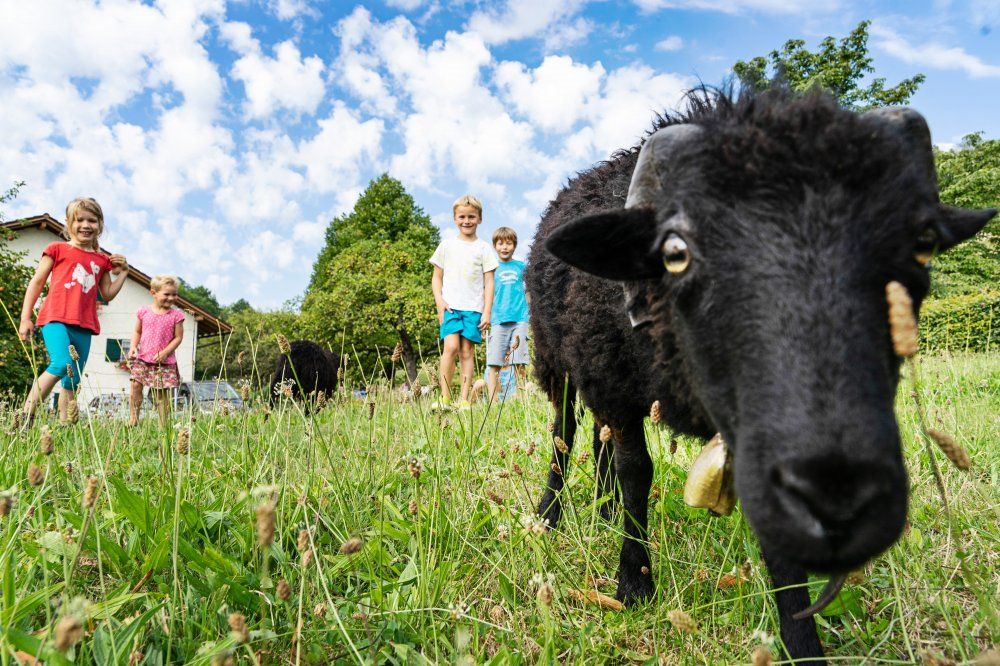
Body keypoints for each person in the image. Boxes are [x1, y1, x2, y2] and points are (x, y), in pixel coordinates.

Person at [18, 197, 129, 426]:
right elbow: (37, 282)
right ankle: (25, 417)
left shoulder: (101, 260)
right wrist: (25, 317)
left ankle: (66, 426)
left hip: (84, 326)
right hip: (55, 318)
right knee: (61, 364)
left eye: (92, 220)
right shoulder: (57, 249)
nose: (85, 225)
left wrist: (124, 273)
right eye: (79, 220)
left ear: (100, 224)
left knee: (73, 380)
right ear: (69, 223)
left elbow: (106, 293)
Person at [430, 195, 498, 408]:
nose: (466, 221)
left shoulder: (484, 248)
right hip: (450, 306)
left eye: (471, 217)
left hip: (473, 308)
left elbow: (489, 283)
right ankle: (445, 397)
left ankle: (464, 400)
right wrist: (439, 301)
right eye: (462, 217)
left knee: (467, 351)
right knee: (450, 347)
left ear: (479, 219)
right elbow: (436, 277)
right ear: (454, 218)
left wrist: (487, 312)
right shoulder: (446, 245)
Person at [127, 275, 185, 426]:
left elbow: (178, 338)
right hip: (143, 357)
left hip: (164, 362)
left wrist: (165, 352)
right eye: (167, 294)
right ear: (154, 293)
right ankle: (133, 420)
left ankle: (163, 425)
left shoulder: (176, 316)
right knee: (135, 385)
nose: (171, 298)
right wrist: (133, 347)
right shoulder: (144, 312)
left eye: (174, 294)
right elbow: (137, 332)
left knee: (160, 392)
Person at [486, 227, 530, 403]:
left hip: (520, 319)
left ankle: (521, 399)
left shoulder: (521, 267)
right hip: (498, 320)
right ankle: (492, 401)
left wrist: (530, 309)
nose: (504, 247)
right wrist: (486, 316)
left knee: (519, 361)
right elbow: (487, 294)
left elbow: (529, 290)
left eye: (508, 243)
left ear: (514, 246)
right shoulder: (492, 268)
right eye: (500, 243)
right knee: (494, 361)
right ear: (495, 245)